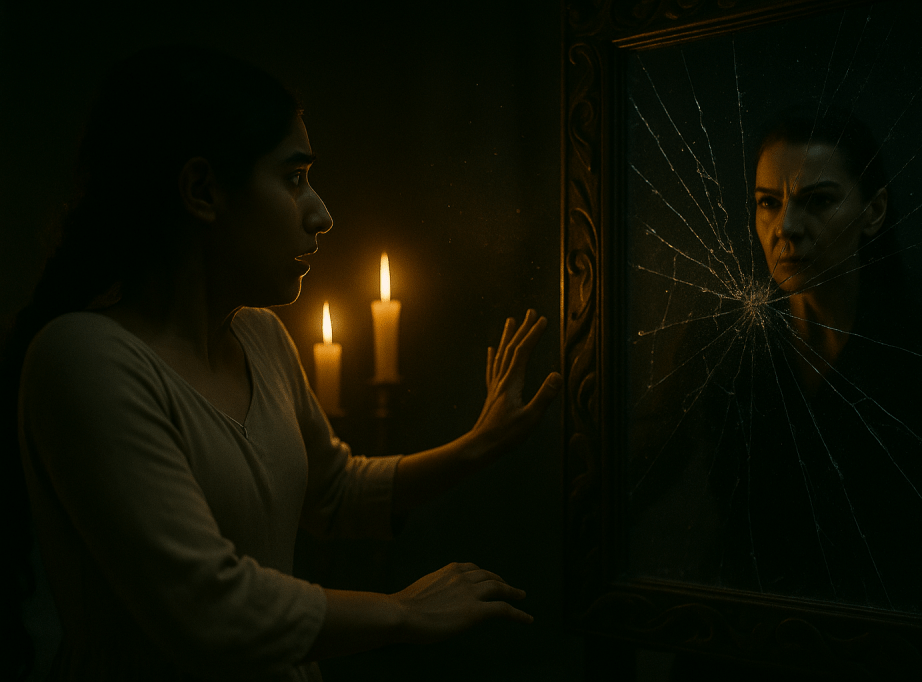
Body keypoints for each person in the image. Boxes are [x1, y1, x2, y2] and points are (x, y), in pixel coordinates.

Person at [2, 45, 562, 681]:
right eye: (293, 178)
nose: (321, 214)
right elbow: (208, 609)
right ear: (202, 190)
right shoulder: (85, 359)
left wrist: (478, 444)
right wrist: (405, 610)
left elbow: (333, 492)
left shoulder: (262, 337)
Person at [629, 107, 922, 614]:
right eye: (768, 204)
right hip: (734, 639)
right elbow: (644, 466)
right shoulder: (720, 335)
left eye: (818, 201)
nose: (787, 227)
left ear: (874, 211)